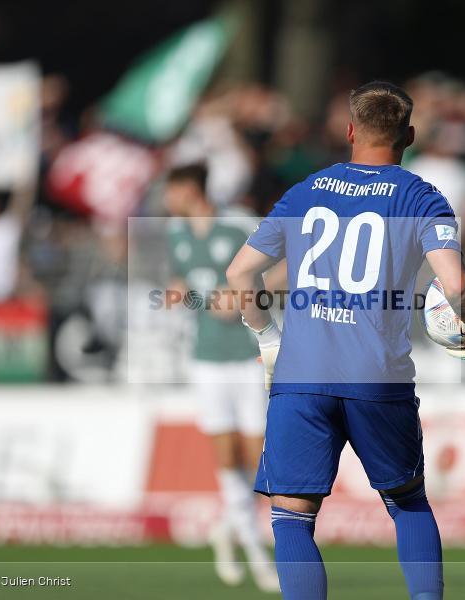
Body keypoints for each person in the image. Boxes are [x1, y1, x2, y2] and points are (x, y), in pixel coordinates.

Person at [226, 81, 465, 600]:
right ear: (411, 136)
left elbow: (242, 273)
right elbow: (457, 286)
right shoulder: (421, 196)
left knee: (291, 517)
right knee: (407, 503)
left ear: (350, 131)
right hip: (377, 375)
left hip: (301, 376)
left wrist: (266, 339)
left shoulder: (307, 190)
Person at [162, 164, 279, 593]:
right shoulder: (177, 237)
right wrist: (193, 298)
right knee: (227, 455)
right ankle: (255, 553)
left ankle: (227, 530)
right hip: (206, 359)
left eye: (171, 191)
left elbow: (278, 270)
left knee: (255, 454)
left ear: (189, 190)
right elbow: (181, 289)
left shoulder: (237, 227)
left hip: (247, 355)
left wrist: (247, 298)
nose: (165, 202)